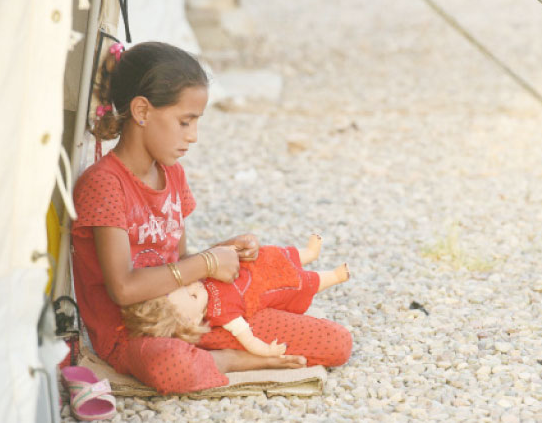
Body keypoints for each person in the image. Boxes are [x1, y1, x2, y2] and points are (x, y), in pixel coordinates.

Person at [71, 41, 352, 395]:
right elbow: (124, 288)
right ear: (142, 111)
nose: (193, 136)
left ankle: (228, 342)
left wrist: (225, 251)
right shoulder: (104, 184)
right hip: (134, 333)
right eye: (184, 122)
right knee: (172, 367)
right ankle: (235, 359)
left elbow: (179, 261)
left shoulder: (171, 174)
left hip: (195, 315)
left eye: (196, 122)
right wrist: (206, 263)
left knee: (336, 343)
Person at [121, 235, 350, 357]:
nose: (196, 288)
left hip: (257, 271)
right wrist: (264, 352)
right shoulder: (220, 314)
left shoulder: (198, 282)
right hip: (264, 296)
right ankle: (332, 276)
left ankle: (308, 254)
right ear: (192, 321)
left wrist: (226, 250)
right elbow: (246, 335)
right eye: (193, 297)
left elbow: (187, 258)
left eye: (186, 285)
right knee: (299, 285)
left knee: (276, 257)